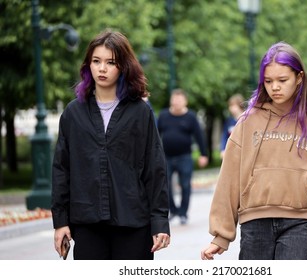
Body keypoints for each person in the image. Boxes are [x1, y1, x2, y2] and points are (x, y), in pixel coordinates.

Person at [201, 42, 307, 260]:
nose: (275, 87)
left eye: (282, 80)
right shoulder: (248, 122)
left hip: (299, 224)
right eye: (268, 81)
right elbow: (229, 179)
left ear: (299, 78)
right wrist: (221, 235)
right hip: (254, 223)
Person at [51, 29, 170, 260]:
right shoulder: (73, 113)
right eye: (96, 61)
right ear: (88, 65)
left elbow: (155, 168)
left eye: (110, 62)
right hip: (87, 223)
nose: (102, 68)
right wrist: (60, 221)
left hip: (133, 222)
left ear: (123, 67)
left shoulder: (140, 111)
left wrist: (159, 221)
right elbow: (61, 170)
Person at [157, 88, 209, 225]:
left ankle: (183, 213)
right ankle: (173, 210)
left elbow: (199, 136)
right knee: (165, 185)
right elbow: (155, 135)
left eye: (180, 99)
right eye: (175, 99)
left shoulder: (191, 117)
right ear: (171, 100)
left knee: (185, 185)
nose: (177, 102)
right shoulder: (163, 116)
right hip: (166, 157)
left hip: (185, 157)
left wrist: (204, 154)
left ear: (185, 102)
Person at [220, 93, 245, 159]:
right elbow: (224, 136)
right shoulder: (228, 121)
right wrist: (223, 149)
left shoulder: (247, 119)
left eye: (233, 106)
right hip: (232, 153)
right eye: (230, 106)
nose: (231, 108)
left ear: (240, 105)